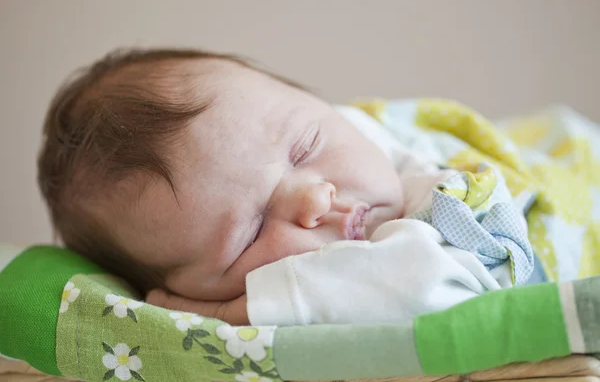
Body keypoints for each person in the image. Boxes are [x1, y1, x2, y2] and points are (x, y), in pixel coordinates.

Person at [37, 48, 532, 326]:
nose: (316, 199)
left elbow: (439, 289)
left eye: (306, 148)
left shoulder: (440, 187)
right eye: (248, 235)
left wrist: (241, 309)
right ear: (173, 292)